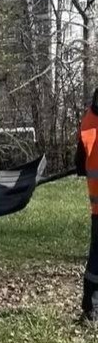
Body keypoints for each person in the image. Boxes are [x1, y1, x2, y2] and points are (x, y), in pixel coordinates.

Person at [75, 88, 98, 322]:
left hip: (97, 208)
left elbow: (80, 165)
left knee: (96, 259)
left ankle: (90, 310)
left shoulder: (88, 122)